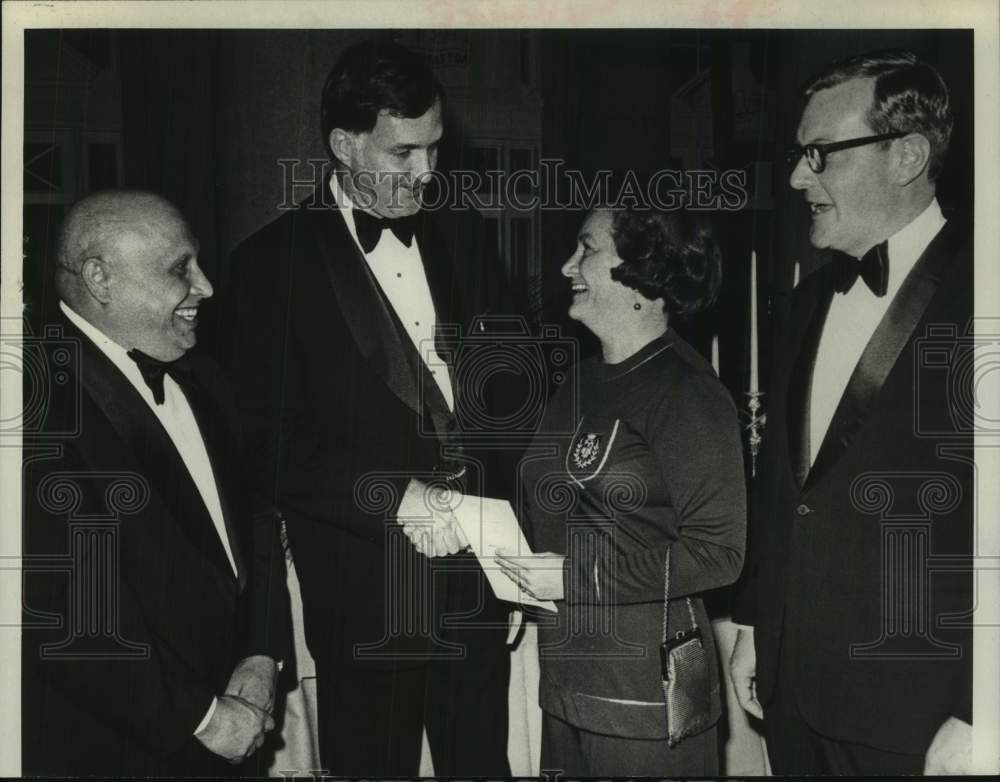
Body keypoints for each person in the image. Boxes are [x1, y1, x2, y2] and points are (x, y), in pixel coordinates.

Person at [221, 40, 513, 776]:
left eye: (435, 148)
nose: (427, 173)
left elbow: (513, 401)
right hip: (363, 596)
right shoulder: (267, 265)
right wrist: (396, 496)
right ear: (344, 145)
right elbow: (269, 448)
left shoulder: (468, 238)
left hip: (476, 584)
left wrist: (512, 548)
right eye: (403, 152)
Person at [730, 49, 973, 775]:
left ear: (906, 155)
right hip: (794, 690)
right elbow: (786, 489)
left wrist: (981, 707)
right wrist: (754, 624)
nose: (797, 176)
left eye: (819, 154)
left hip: (921, 717)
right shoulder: (807, 303)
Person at [21, 190, 290, 777]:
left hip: (237, 721)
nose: (206, 287)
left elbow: (259, 521)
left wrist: (262, 652)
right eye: (179, 270)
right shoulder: (30, 405)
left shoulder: (207, 378)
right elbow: (68, 620)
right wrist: (202, 718)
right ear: (100, 279)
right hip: (119, 749)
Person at [496, 207, 746, 776]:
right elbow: (548, 509)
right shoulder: (578, 380)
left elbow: (718, 556)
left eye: (585, 248)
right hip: (566, 684)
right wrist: (512, 576)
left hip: (646, 701)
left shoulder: (689, 394)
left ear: (643, 270)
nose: (566, 266)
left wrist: (569, 578)